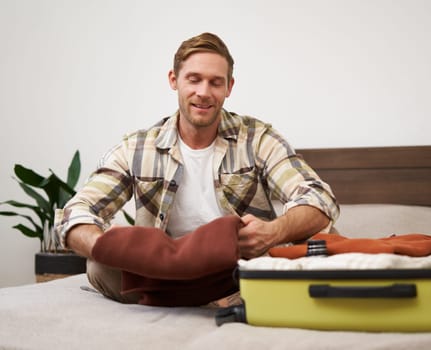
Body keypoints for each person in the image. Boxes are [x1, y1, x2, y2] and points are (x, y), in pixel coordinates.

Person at [55, 32, 339, 304]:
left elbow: (318, 198)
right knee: (99, 267)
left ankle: (199, 299)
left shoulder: (258, 139)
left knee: (320, 250)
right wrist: (110, 248)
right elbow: (76, 212)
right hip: (166, 271)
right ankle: (219, 300)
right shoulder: (137, 148)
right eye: (194, 79)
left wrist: (273, 231)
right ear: (174, 80)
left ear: (229, 87)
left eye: (216, 82)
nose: (204, 92)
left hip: (242, 267)